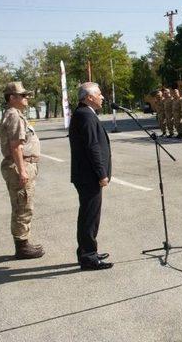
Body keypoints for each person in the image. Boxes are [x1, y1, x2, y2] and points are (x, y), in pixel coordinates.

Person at [68, 82, 113, 270]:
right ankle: (88, 257)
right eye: (99, 94)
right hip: (89, 176)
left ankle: (87, 251)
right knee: (89, 216)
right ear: (89, 97)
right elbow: (92, 147)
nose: (102, 97)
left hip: (86, 175)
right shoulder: (85, 115)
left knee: (89, 216)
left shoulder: (84, 113)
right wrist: (102, 173)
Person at [0, 81, 45, 259]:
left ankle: (23, 243)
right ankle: (22, 247)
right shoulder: (14, 116)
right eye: (23, 95)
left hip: (22, 164)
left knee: (23, 204)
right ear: (12, 98)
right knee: (22, 206)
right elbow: (16, 146)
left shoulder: (15, 114)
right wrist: (22, 170)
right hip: (20, 165)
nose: (27, 98)